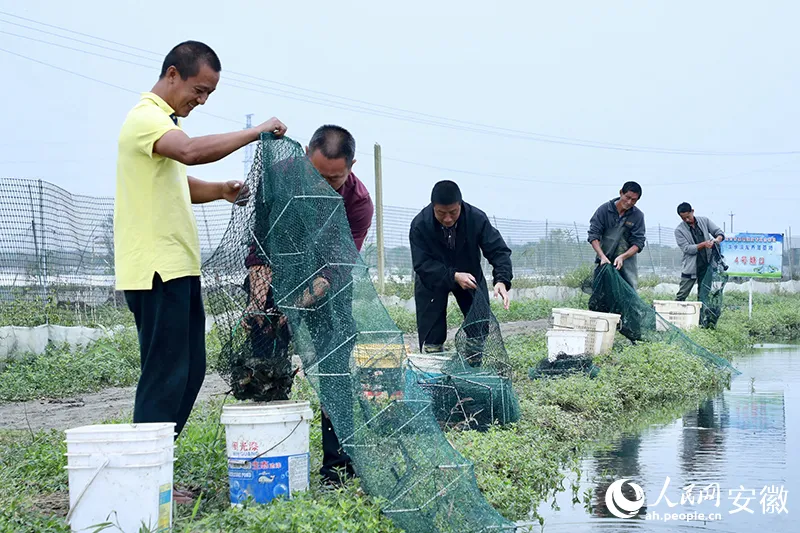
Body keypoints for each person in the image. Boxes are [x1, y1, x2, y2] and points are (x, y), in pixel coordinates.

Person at [114, 40, 287, 458]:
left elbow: (178, 183)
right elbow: (189, 153)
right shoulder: (145, 118)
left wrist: (221, 191)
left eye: (209, 94)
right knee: (165, 373)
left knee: (190, 371)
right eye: (199, 89)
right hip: (155, 270)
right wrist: (255, 132)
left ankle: (159, 463)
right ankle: (147, 467)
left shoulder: (163, 126)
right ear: (173, 74)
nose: (202, 100)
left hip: (178, 268)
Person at [245, 125, 373, 486]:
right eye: (318, 174)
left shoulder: (358, 201)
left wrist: (295, 306)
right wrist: (260, 299)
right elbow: (259, 241)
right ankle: (267, 455)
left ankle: (337, 466)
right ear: (304, 155)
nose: (325, 183)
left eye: (335, 178)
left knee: (333, 369)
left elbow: (333, 270)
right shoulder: (278, 177)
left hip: (327, 290)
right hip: (275, 275)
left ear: (352, 167)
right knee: (265, 363)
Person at [409, 180, 513, 357]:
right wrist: (454, 276)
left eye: (453, 212)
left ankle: (473, 367)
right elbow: (422, 264)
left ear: (460, 205)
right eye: (441, 213)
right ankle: (435, 371)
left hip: (470, 276)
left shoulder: (476, 219)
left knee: (478, 324)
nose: (448, 218)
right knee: (432, 331)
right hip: (433, 279)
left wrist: (502, 279)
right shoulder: (420, 224)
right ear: (433, 207)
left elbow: (498, 250)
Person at [587, 181, 646, 290]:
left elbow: (638, 242)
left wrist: (623, 257)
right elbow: (593, 235)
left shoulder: (638, 216)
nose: (629, 202)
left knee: (627, 291)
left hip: (626, 263)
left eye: (634, 200)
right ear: (621, 193)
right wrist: (602, 256)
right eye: (627, 197)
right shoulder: (604, 210)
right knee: (601, 292)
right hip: (605, 260)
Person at [674, 202, 725, 310]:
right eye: (683, 218)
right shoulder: (679, 230)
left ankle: (701, 319)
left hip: (707, 265)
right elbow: (687, 249)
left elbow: (719, 232)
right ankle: (675, 314)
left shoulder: (704, 221)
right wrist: (704, 244)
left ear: (692, 211)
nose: (687, 220)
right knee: (682, 294)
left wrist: (716, 240)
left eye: (688, 217)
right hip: (691, 267)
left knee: (703, 294)